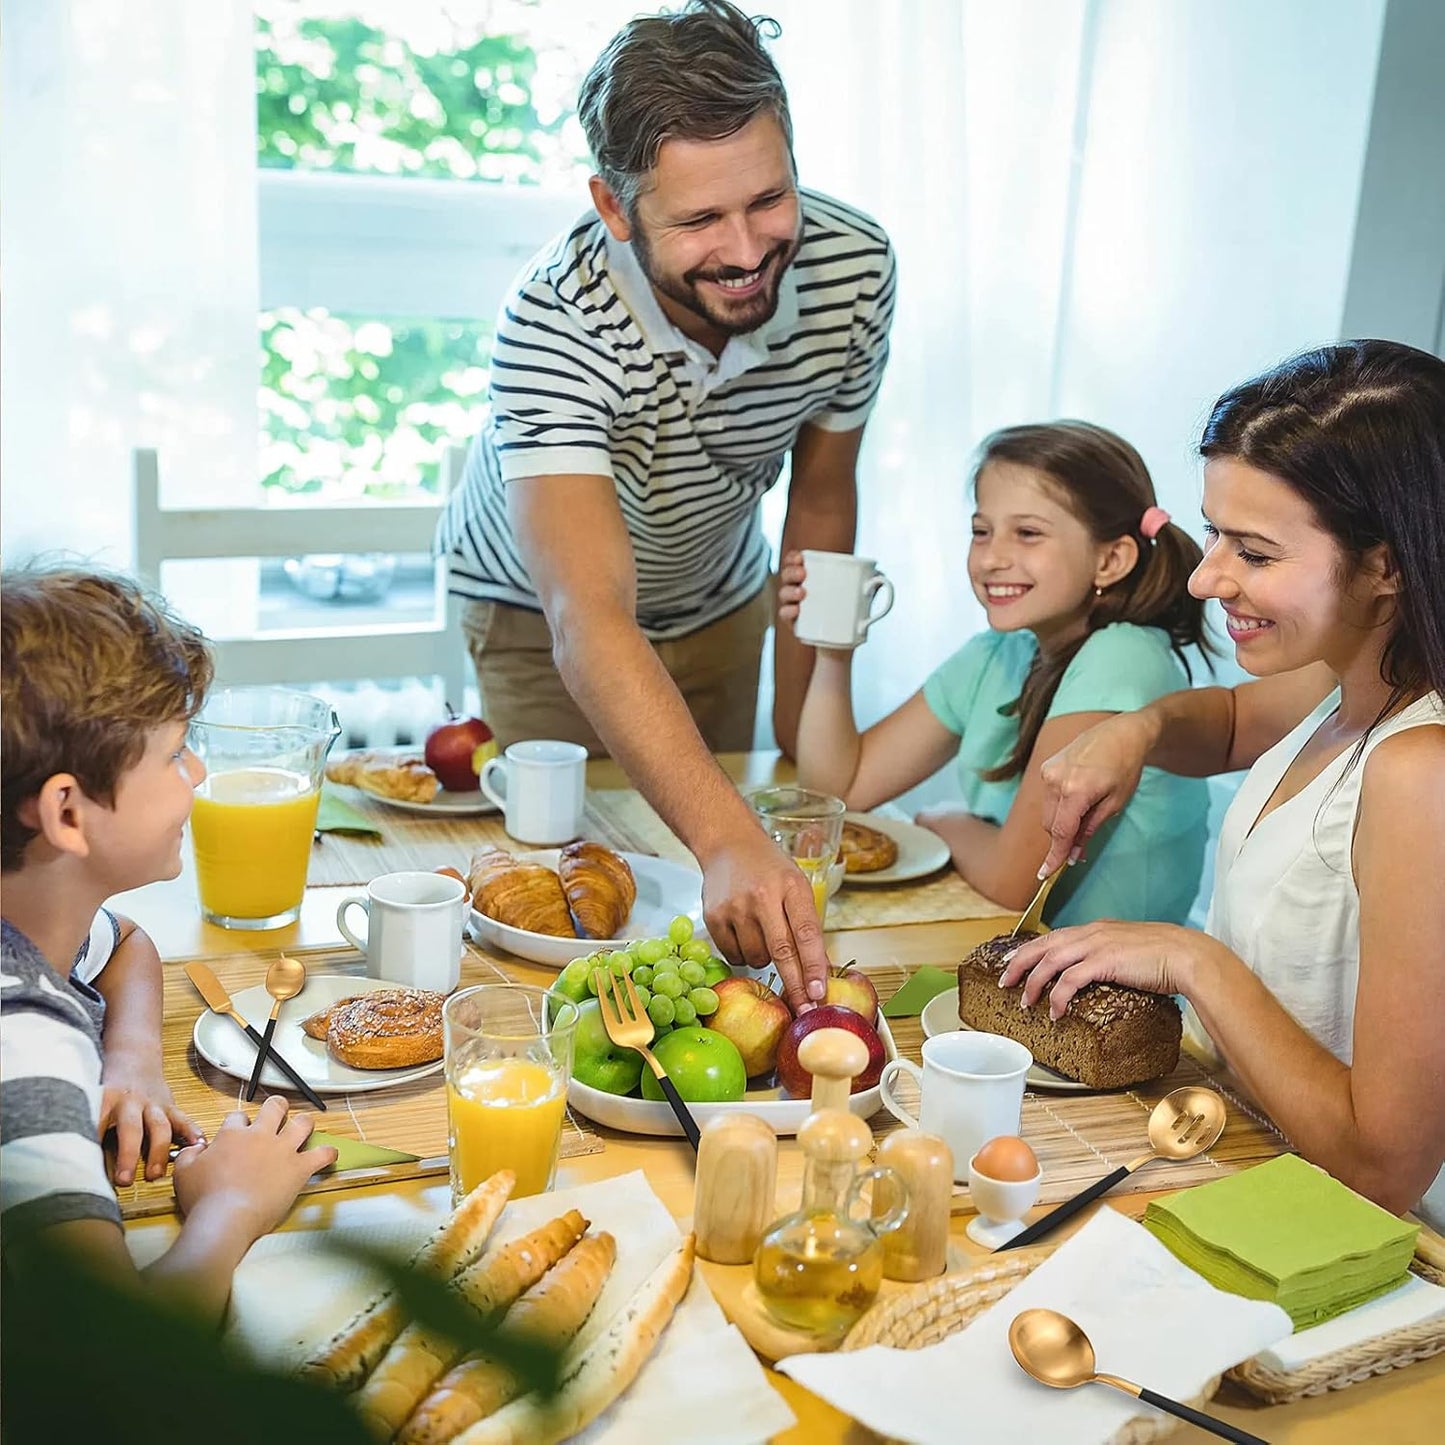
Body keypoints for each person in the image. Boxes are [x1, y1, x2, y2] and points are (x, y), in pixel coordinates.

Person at [436, 1, 896, 1009]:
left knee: (725, 891)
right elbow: (586, 619)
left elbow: (820, 498)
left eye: (768, 199)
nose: (744, 251)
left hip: (719, 594)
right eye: (696, 221)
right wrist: (731, 833)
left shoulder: (855, 267)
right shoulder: (552, 320)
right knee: (568, 906)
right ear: (613, 206)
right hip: (539, 615)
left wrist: (795, 782)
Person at [1003, 341, 1445, 1225]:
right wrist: (1140, 728)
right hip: (1243, 1147)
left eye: (1254, 550)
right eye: (1212, 533)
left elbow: (1383, 1168)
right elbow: (1235, 722)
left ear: (1386, 565)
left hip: (1348, 1232)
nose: (1206, 578)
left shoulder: (1418, 773)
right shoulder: (1351, 674)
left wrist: (1191, 958)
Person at [1, 567, 336, 1318]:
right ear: (67, 811)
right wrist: (233, 1204)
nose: (199, 771)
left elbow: (126, 946)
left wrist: (133, 1064)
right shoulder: (23, 1046)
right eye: (177, 753)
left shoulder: (32, 923)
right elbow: (111, 1374)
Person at [783, 421, 1212, 924]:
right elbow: (839, 789)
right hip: (1027, 957)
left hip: (1112, 992)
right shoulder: (997, 653)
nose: (991, 558)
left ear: (1111, 559)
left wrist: (945, 821)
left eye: (1028, 533)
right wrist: (835, 646)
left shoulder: (1122, 658)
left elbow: (1015, 881)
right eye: (980, 531)